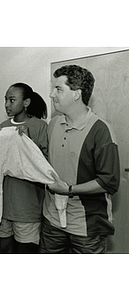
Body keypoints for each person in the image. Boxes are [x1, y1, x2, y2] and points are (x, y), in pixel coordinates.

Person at [40, 64, 120, 254]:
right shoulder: (53, 124)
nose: (51, 94)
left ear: (76, 94)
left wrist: (68, 190)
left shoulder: (101, 131)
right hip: (52, 221)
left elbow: (109, 182)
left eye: (58, 89)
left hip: (87, 227)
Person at [0, 83, 48, 253]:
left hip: (28, 208)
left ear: (26, 102)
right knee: (3, 251)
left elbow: (47, 166)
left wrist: (27, 140)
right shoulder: (2, 127)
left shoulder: (40, 127)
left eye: (12, 100)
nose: (7, 105)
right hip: (3, 207)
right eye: (5, 100)